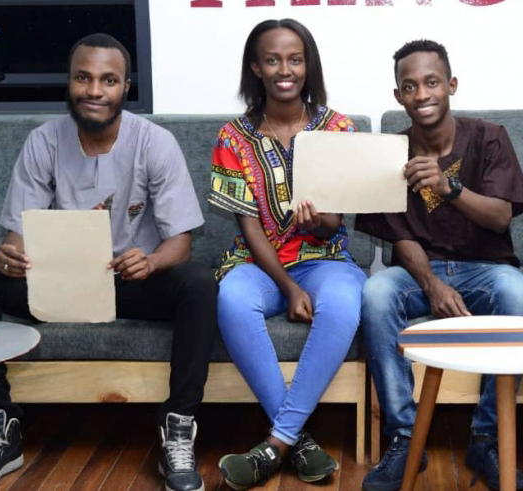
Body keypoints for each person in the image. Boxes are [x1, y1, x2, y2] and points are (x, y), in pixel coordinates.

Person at [0, 33, 217, 491]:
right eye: (84, 78)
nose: (95, 90)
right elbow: (19, 232)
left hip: (131, 283)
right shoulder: (43, 141)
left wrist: (152, 263)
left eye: (108, 80)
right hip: (61, 286)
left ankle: (177, 427)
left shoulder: (155, 143)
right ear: (70, 83)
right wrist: (12, 256)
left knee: (198, 283)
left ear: (126, 88)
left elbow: (182, 244)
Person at [356, 40, 523, 491]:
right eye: (410, 86)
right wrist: (432, 284)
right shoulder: (392, 151)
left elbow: (499, 216)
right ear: (398, 96)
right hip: (421, 271)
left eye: (432, 82)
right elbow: (402, 237)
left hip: (485, 268)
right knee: (376, 292)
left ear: (451, 85)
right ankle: (403, 438)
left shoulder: (489, 137)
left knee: (518, 291)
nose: (422, 94)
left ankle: (486, 436)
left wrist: (448, 185)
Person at [209, 18, 366, 491]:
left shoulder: (338, 129)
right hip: (258, 264)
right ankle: (297, 442)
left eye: (295, 59)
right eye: (273, 59)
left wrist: (319, 219)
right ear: (256, 67)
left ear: (307, 65)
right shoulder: (232, 138)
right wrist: (289, 287)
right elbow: (249, 226)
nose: (285, 69)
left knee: (343, 302)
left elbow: (339, 223)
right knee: (231, 299)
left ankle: (276, 443)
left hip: (326, 259)